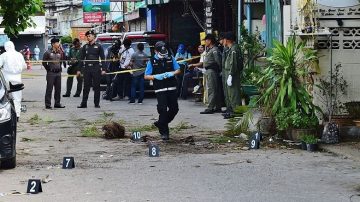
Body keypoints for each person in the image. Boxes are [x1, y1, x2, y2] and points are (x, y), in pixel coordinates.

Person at [144, 41, 181, 140]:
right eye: (161, 54)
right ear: (156, 51)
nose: (163, 56)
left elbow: (178, 69)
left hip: (172, 87)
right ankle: (165, 132)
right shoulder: (151, 61)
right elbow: (146, 76)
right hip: (160, 88)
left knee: (174, 109)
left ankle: (161, 123)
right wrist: (156, 77)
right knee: (163, 110)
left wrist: (172, 73)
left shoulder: (170, 57)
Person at [77, 30, 106, 108]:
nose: (88, 37)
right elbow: (81, 59)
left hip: (96, 68)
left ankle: (96, 104)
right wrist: (79, 70)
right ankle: (83, 103)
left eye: (89, 36)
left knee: (97, 86)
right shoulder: (85, 47)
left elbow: (103, 58)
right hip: (87, 68)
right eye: (87, 36)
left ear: (93, 36)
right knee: (86, 87)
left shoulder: (99, 46)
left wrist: (103, 69)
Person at [0, 41, 27, 119]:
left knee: (4, 96)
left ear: (6, 47)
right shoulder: (19, 55)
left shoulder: (3, 55)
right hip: (18, 78)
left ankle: (6, 115)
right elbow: (24, 66)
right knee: (17, 97)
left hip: (6, 78)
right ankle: (17, 115)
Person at [200, 34, 222, 114]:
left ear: (209, 40)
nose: (205, 42)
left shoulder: (214, 50)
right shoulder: (210, 49)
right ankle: (217, 106)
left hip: (212, 71)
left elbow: (218, 61)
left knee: (212, 89)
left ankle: (210, 108)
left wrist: (220, 70)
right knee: (215, 89)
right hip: (210, 71)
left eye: (206, 40)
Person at [223, 32, 243, 118]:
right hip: (229, 72)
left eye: (224, 39)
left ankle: (237, 111)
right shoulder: (231, 48)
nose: (223, 41)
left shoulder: (234, 49)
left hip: (232, 73)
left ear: (227, 40)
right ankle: (233, 110)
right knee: (230, 93)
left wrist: (231, 75)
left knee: (234, 93)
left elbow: (234, 63)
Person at [42, 38, 65, 109]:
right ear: (53, 44)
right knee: (49, 89)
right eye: (57, 43)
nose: (58, 44)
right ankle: (48, 104)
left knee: (58, 89)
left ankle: (57, 103)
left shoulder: (60, 52)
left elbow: (61, 61)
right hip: (51, 73)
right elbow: (44, 62)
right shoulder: (47, 52)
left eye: (58, 43)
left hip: (58, 73)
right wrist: (48, 69)